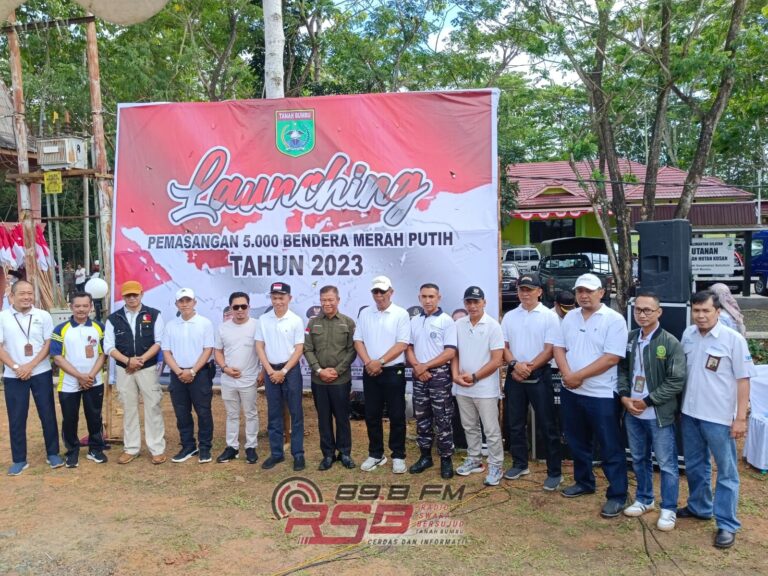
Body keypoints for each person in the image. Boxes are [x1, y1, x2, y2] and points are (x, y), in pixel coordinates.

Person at [678, 290, 752, 549]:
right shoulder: (688, 335)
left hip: (719, 418)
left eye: (706, 311)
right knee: (696, 466)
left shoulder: (733, 340)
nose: (700, 316)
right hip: (690, 414)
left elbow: (743, 381)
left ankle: (726, 524)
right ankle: (700, 506)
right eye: (696, 311)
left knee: (727, 472)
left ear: (718, 312)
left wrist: (740, 418)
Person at [553, 273, 629, 518]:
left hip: (601, 394)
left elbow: (611, 357)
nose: (583, 295)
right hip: (572, 391)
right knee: (576, 441)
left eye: (589, 291)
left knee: (609, 446)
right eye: (579, 291)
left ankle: (617, 494)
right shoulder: (570, 317)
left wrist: (579, 376)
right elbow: (559, 347)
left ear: (601, 292)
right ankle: (584, 482)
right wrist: (567, 375)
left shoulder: (614, 319)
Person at [617, 291, 686, 531]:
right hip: (632, 413)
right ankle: (645, 499)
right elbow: (623, 370)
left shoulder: (670, 342)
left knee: (667, 464)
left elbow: (676, 381)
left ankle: (669, 509)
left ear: (659, 312)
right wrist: (625, 397)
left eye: (648, 310)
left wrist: (648, 401)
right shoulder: (631, 338)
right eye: (638, 309)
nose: (642, 314)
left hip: (658, 414)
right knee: (638, 458)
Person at [501, 274, 562, 490]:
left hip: (540, 374)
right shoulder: (509, 316)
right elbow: (504, 347)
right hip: (515, 374)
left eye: (529, 289)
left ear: (539, 291)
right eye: (521, 289)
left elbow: (549, 350)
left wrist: (528, 368)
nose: (525, 293)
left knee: (547, 424)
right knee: (515, 423)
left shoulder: (549, 316)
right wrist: (516, 365)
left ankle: (555, 472)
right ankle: (520, 463)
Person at [0, 280, 63, 475]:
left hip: (40, 372)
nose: (27, 297)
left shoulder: (43, 315)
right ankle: (19, 459)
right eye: (22, 293)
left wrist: (31, 366)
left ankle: (53, 453)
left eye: (30, 293)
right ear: (12, 296)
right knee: (17, 417)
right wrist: (17, 367)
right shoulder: (2, 317)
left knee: (47, 414)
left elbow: (47, 344)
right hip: (13, 375)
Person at [104, 280, 167, 465]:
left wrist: (140, 360)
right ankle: (131, 448)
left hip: (147, 368)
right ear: (123, 297)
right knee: (129, 408)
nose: (132, 298)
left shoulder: (154, 315)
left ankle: (156, 448)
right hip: (124, 370)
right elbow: (108, 346)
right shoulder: (113, 318)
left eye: (135, 294)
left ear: (141, 294)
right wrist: (127, 361)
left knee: (153, 407)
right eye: (128, 295)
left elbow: (158, 342)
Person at [353, 275, 411, 473]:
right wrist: (370, 363)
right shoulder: (365, 313)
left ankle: (398, 455)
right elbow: (358, 341)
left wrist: (381, 361)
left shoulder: (401, 314)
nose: (379, 296)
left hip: (393, 370)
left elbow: (402, 343)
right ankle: (376, 454)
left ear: (391, 292)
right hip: (370, 370)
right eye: (375, 292)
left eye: (383, 292)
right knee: (371, 414)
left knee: (396, 414)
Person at [452, 286, 505, 486]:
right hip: (462, 386)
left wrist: (474, 377)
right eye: (469, 302)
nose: (472, 306)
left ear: (484, 302)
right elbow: (454, 353)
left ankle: (496, 465)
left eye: (476, 301)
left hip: (484, 388)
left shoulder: (493, 326)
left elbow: (497, 360)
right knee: (469, 426)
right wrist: (455, 375)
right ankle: (474, 459)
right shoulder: (458, 324)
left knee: (491, 429)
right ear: (465, 304)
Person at [406, 283, 457, 479]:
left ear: (438, 298)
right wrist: (418, 367)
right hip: (419, 376)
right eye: (424, 297)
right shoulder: (415, 321)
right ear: (419, 298)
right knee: (422, 418)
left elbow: (450, 352)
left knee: (442, 418)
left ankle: (446, 459)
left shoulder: (446, 321)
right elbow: (408, 347)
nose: (427, 300)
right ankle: (425, 457)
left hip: (439, 376)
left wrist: (425, 366)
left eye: (431, 297)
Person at [51, 292, 108, 467]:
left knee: (94, 416)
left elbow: (103, 354)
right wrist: (79, 376)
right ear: (71, 307)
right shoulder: (60, 329)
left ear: (91, 307)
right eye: (77, 306)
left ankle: (95, 449)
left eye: (85, 306)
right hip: (69, 383)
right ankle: (72, 451)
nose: (81, 309)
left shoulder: (99, 327)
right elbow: (57, 357)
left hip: (94, 381)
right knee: (69, 418)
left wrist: (89, 376)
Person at [304, 285, 358, 471]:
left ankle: (345, 453)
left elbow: (352, 350)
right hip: (319, 380)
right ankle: (328, 454)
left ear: (338, 300)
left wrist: (337, 370)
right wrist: (319, 370)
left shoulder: (348, 323)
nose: (327, 303)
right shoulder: (312, 324)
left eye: (330, 300)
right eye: (323, 300)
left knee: (342, 417)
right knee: (324, 418)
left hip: (340, 380)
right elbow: (308, 349)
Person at [255, 282, 306, 471]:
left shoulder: (296, 320)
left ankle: (298, 454)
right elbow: (259, 346)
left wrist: (283, 371)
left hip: (290, 371)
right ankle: (276, 454)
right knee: (274, 413)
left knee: (296, 413)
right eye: (274, 298)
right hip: (270, 371)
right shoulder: (263, 319)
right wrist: (269, 371)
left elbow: (299, 349)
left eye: (281, 298)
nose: (278, 301)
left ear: (289, 299)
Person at [162, 288, 215, 464]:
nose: (185, 304)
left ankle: (205, 447)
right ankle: (188, 446)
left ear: (194, 302)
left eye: (188, 301)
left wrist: (192, 371)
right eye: (181, 301)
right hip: (177, 375)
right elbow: (167, 352)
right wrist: (179, 372)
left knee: (203, 411)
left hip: (199, 374)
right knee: (182, 412)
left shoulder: (205, 323)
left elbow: (208, 350)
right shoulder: (170, 325)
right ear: (176, 304)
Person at [214, 292, 261, 464]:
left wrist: (262, 373)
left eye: (243, 306)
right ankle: (232, 448)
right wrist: (225, 369)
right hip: (228, 380)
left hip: (249, 379)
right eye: (236, 307)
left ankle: (251, 447)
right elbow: (217, 351)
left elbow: (264, 351)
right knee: (232, 414)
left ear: (249, 307)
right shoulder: (222, 328)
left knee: (250, 413)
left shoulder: (257, 326)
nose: (240, 310)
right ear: (230, 309)